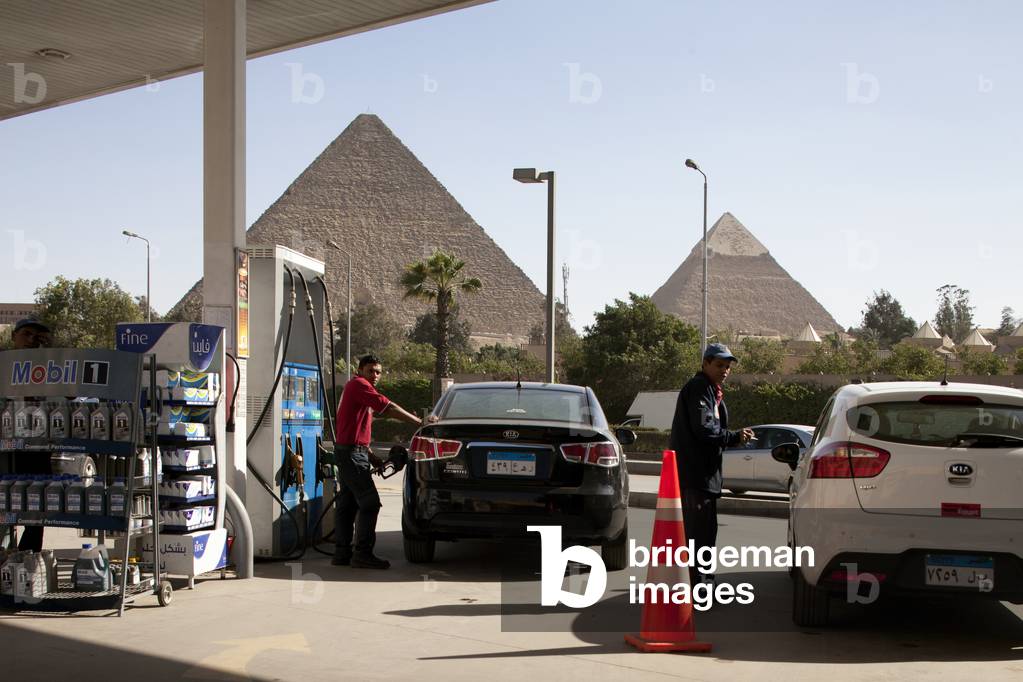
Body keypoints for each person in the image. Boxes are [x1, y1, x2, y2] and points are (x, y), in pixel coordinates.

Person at [669, 343, 754, 584]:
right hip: (696, 477)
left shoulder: (710, 390)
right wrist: (734, 437)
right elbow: (704, 430)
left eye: (727, 367)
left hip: (705, 477)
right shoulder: (699, 387)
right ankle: (697, 585)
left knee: (706, 534)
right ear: (705, 363)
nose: (725, 370)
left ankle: (702, 581)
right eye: (719, 365)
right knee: (698, 536)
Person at [333, 354, 422, 569]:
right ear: (360, 370)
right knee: (370, 503)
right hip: (351, 454)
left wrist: (370, 454)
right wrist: (420, 422)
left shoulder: (356, 388)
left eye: (378, 372)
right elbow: (388, 407)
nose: (375, 375)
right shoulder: (359, 385)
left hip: (352, 452)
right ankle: (362, 554)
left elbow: (354, 428)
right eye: (371, 370)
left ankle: (342, 553)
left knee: (347, 504)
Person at [8, 319, 54, 552]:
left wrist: (51, 351)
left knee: (36, 507)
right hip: (7, 448)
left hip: (37, 446)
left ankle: (28, 558)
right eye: (27, 334)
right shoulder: (5, 365)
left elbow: (69, 396)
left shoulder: (50, 368)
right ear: (13, 336)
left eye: (37, 337)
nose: (31, 340)